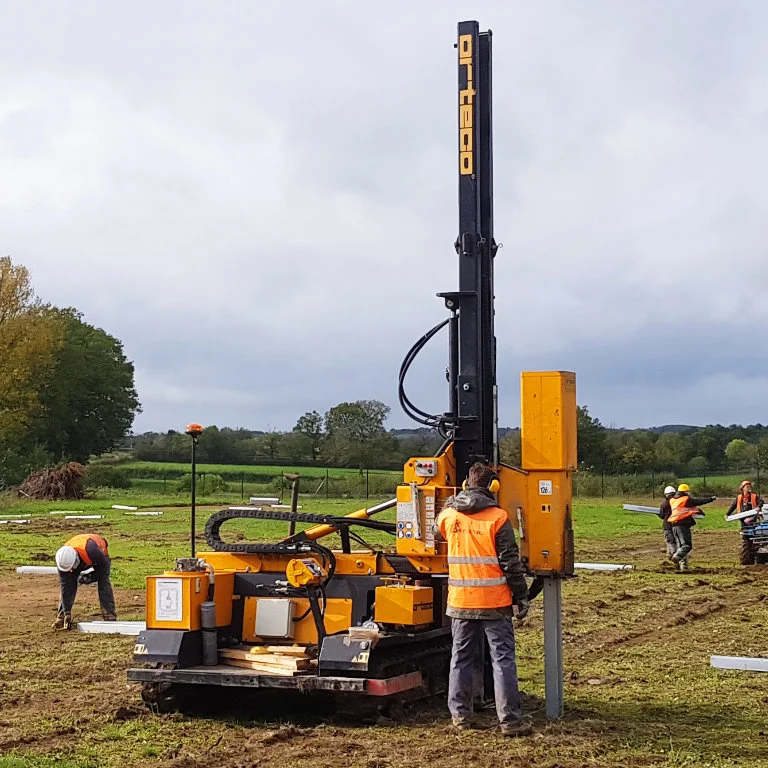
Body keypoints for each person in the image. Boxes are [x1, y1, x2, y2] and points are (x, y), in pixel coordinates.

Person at [436, 462, 531, 737]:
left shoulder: (449, 515)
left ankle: (461, 717)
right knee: (502, 660)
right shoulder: (499, 518)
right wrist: (521, 596)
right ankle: (510, 722)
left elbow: (434, 531)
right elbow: (510, 564)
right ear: (493, 487)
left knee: (460, 658)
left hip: (460, 601)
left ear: (466, 484)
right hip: (494, 602)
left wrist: (453, 501)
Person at [53, 533, 117, 630]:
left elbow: (104, 568)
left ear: (75, 561)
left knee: (103, 581)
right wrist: (67, 613)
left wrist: (90, 577)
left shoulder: (93, 552)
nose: (70, 571)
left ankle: (109, 615)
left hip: (99, 553)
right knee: (68, 583)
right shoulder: (62, 560)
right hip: (79, 552)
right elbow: (65, 586)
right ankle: (62, 616)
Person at [668, 484, 716, 571]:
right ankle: (676, 557)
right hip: (682, 525)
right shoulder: (685, 499)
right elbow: (698, 501)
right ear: (685, 492)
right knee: (687, 546)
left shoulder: (673, 500)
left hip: (674, 525)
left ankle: (683, 567)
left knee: (681, 547)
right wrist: (710, 499)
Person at [659, 485, 677, 559]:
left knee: (670, 541)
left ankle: (674, 556)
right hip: (677, 525)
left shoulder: (664, 504)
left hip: (668, 526)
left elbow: (662, 515)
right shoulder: (677, 503)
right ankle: (669, 555)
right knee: (676, 541)